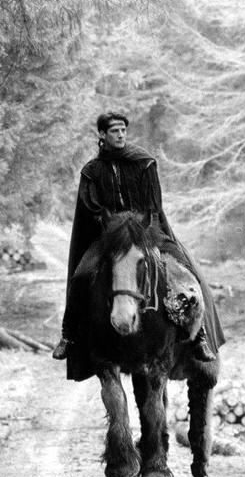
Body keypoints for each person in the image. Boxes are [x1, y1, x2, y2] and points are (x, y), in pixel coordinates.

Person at [52, 111, 223, 380]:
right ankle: (69, 336)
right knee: (82, 274)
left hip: (147, 233)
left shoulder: (144, 163)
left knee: (185, 271)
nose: (120, 135)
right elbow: (91, 207)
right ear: (102, 135)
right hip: (110, 238)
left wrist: (137, 225)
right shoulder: (92, 171)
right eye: (114, 131)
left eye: (123, 130)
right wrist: (113, 227)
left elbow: (154, 205)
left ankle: (199, 336)